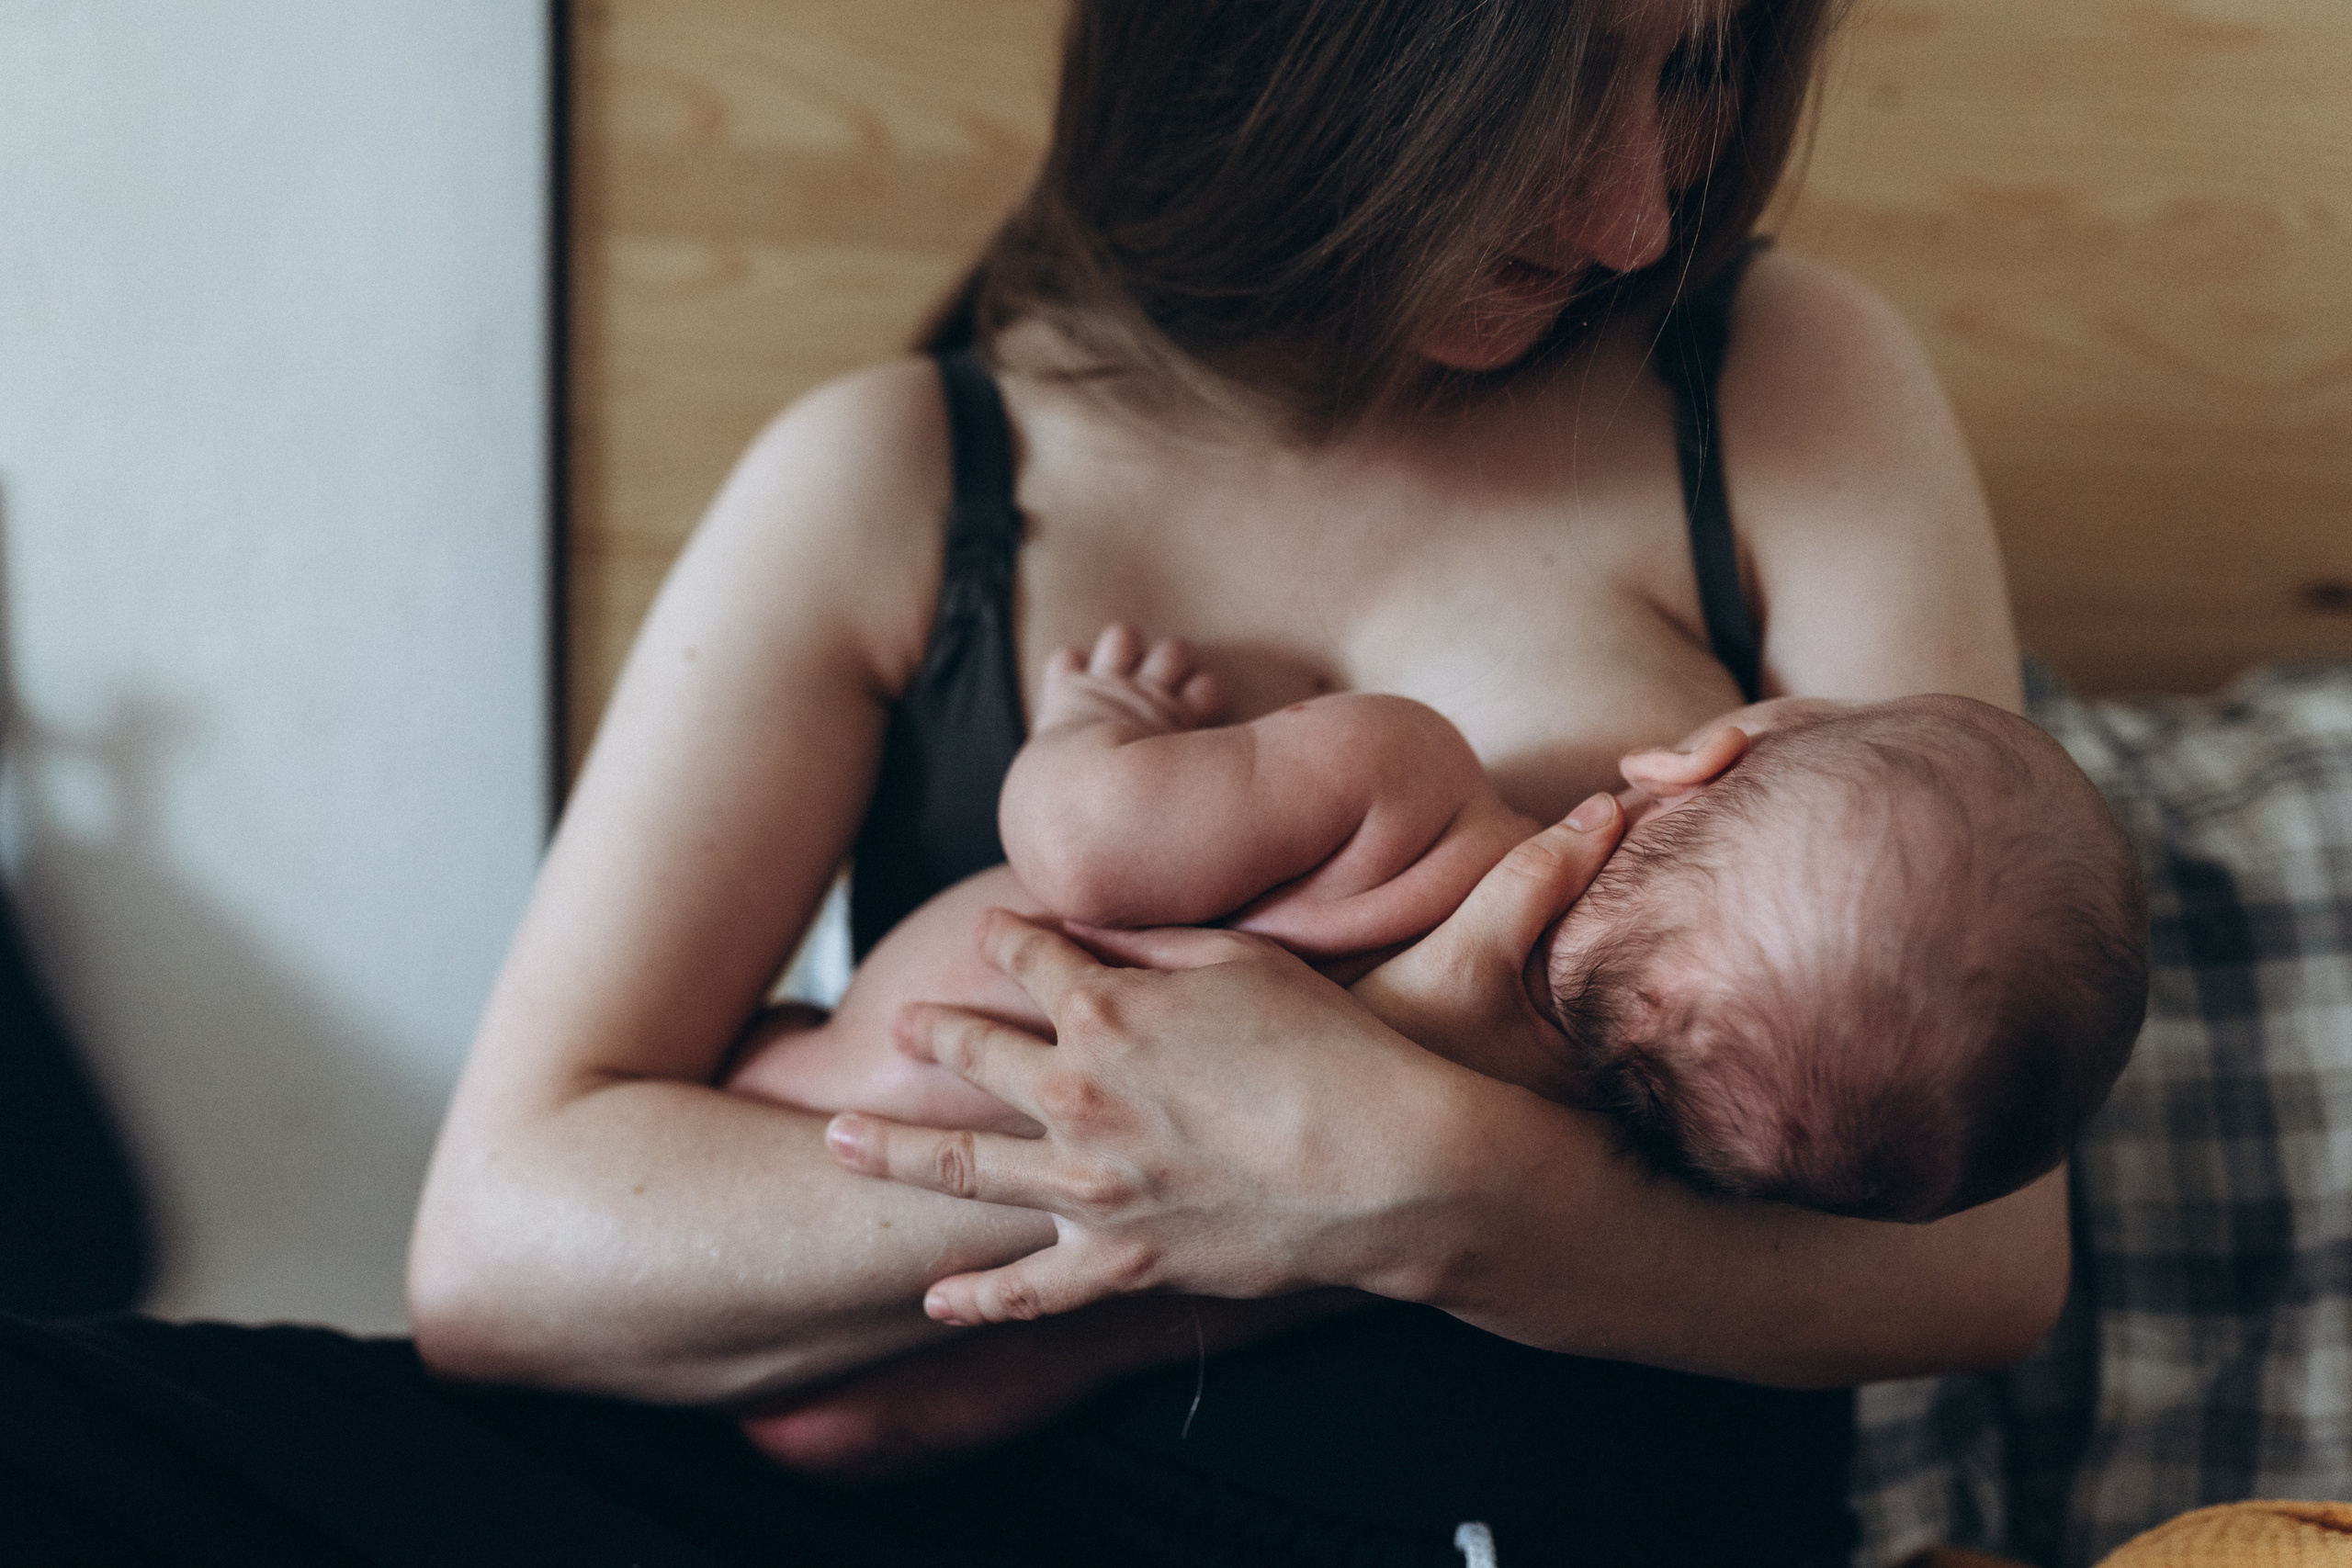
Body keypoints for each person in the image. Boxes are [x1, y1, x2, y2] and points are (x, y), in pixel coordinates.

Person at [0, 2, 2110, 1564]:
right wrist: (1207, 1183)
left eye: (1697, 67)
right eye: (1569, 72)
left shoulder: (1772, 379)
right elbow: (507, 1250)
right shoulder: (901, 477)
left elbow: (1978, 1255)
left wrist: (1416, 1180)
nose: (1639, 204)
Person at [730, 623, 2144, 1225]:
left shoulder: (1405, 803)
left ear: (1695, 760)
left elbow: (1086, 847)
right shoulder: (1534, 1166)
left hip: (869, 1080)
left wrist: (1098, 725)